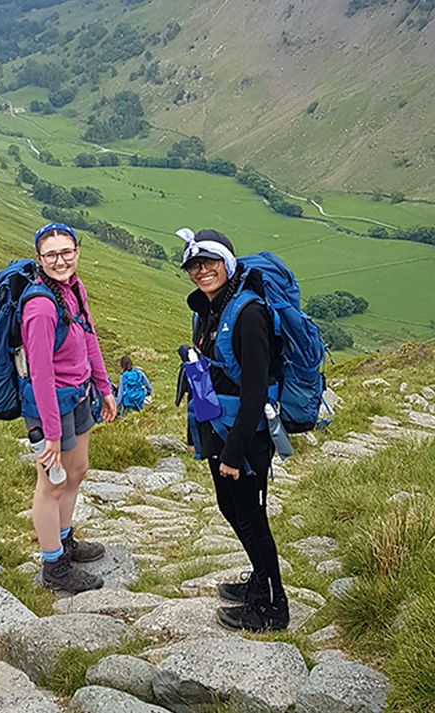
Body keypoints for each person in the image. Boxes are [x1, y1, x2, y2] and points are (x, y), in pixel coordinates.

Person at [179, 228, 289, 632]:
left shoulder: (249, 314)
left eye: (209, 262)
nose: (201, 270)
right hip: (217, 426)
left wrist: (233, 452)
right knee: (231, 508)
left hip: (246, 435)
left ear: (228, 262)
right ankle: (259, 583)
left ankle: (274, 607)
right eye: (194, 264)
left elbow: (255, 389)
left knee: (253, 515)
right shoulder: (208, 309)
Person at [22, 223, 118, 593]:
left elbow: (88, 336)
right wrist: (50, 431)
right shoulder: (40, 307)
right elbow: (41, 373)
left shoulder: (74, 288)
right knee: (51, 483)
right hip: (51, 406)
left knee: (77, 470)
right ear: (39, 259)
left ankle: (65, 541)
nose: (60, 260)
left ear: (77, 252)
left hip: (78, 395)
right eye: (52, 255)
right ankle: (53, 567)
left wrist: (103, 386)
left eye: (67, 252)